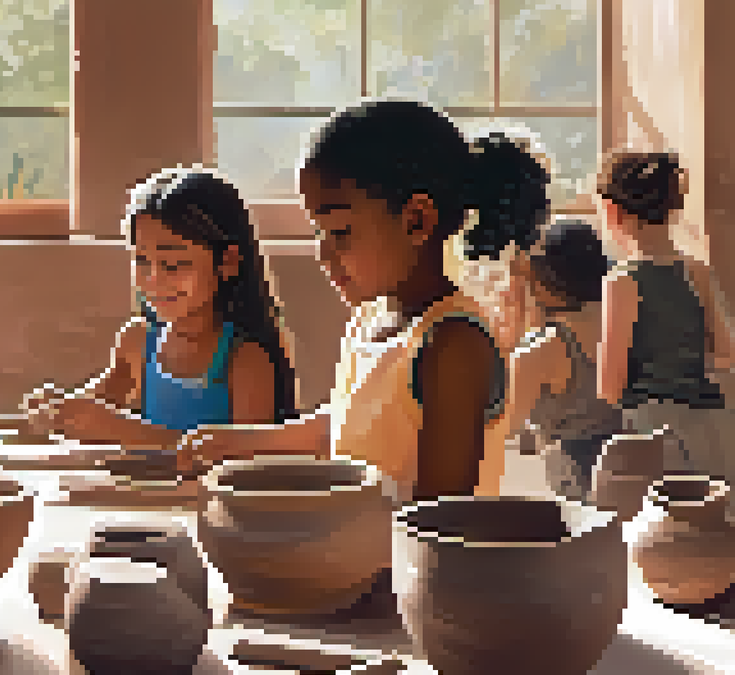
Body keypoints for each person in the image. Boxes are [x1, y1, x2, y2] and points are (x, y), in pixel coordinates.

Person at [178, 99, 535, 502]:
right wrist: (242, 443)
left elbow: (440, 520)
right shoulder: (370, 320)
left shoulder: (453, 345)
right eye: (319, 233)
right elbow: (348, 425)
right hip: (356, 552)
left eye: (341, 232)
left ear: (417, 220)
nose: (323, 254)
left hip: (412, 563)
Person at [25, 166, 296, 447]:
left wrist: (123, 431)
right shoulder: (138, 341)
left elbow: (245, 454)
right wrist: (56, 408)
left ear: (226, 262)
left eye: (174, 264)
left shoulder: (245, 359)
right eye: (142, 261)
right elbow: (97, 407)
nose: (153, 280)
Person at [595, 150, 735, 479]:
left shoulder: (622, 280)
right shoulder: (697, 270)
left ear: (613, 211)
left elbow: (610, 385)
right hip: (714, 428)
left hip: (656, 434)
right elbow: (726, 353)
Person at [504, 219, 626, 501]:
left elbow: (501, 428)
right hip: (630, 472)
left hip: (578, 484)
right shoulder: (626, 323)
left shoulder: (542, 350)